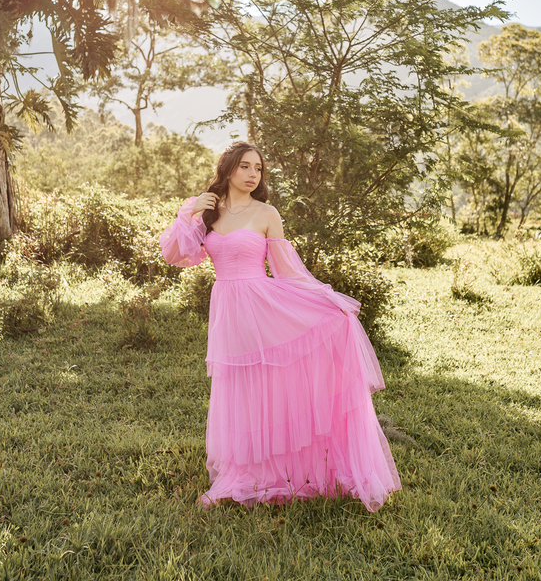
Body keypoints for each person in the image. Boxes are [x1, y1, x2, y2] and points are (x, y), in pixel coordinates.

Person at [159, 141, 401, 512]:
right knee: (240, 388)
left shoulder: (266, 212)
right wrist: (189, 213)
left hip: (263, 305)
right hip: (228, 309)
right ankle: (242, 470)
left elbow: (287, 271)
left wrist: (323, 298)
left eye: (258, 168)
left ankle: (280, 469)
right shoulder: (206, 209)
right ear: (227, 169)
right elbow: (176, 255)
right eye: (245, 166)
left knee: (268, 384)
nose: (253, 174)